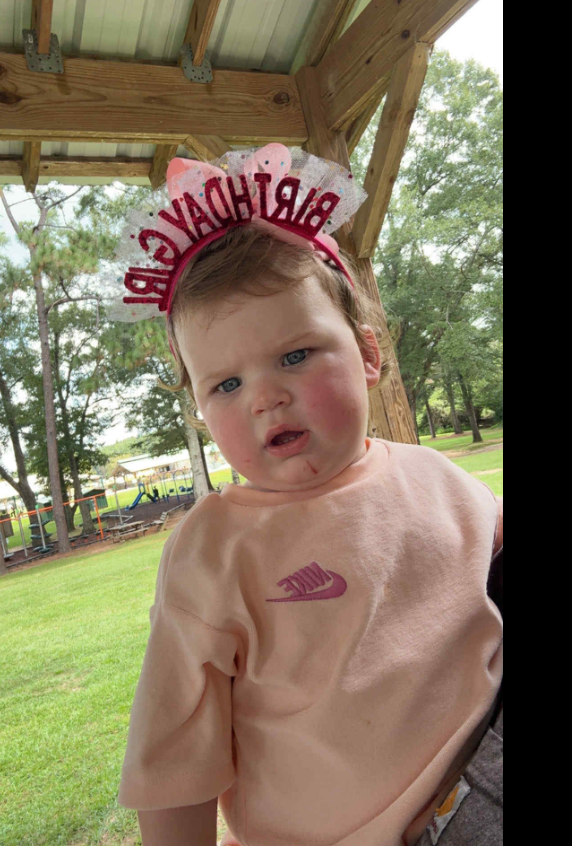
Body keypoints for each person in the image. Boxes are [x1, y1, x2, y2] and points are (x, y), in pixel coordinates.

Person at [111, 145, 503, 846]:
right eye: (225, 384)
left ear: (369, 354)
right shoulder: (213, 553)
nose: (265, 397)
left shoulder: (432, 476)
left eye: (294, 355)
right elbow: (176, 765)